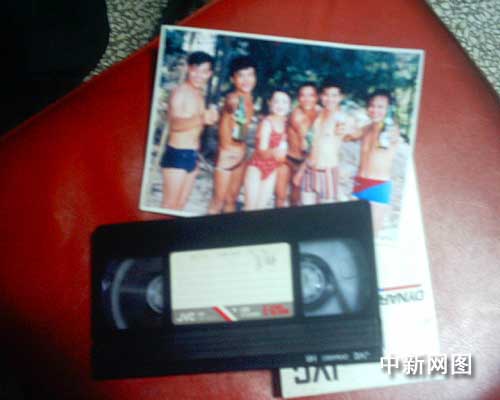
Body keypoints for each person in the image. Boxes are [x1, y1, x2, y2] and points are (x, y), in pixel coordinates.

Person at [160, 51, 219, 210]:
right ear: (188, 69)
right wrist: (202, 118)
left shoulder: (198, 94)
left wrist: (210, 120)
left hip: (192, 156)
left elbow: (195, 127)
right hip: (177, 155)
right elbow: (175, 124)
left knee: (180, 205)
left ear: (210, 74)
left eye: (204, 71)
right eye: (195, 70)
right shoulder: (180, 92)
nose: (199, 75)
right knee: (169, 206)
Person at [344, 89, 400, 232]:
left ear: (388, 109)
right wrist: (347, 126)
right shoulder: (366, 129)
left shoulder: (390, 129)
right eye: (372, 106)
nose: (375, 110)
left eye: (380, 107)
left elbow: (393, 135)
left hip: (377, 186)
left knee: (371, 233)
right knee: (353, 230)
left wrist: (391, 129)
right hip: (359, 183)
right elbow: (347, 137)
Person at [208, 56, 257, 214]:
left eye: (250, 75)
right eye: (241, 76)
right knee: (217, 203)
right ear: (233, 79)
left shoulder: (249, 98)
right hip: (227, 157)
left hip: (241, 156)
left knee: (231, 201)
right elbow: (231, 106)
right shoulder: (235, 99)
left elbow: (240, 133)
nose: (246, 80)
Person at [294, 79, 349, 205]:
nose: (330, 99)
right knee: (306, 212)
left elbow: (352, 130)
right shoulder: (317, 115)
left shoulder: (341, 118)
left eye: (334, 95)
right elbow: (312, 146)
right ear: (320, 96)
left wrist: (347, 131)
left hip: (328, 173)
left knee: (326, 214)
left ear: (340, 97)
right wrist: (301, 171)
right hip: (309, 171)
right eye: (326, 95)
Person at [244, 90, 291, 210]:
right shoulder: (267, 122)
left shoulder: (287, 123)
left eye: (284, 102)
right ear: (270, 103)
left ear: (289, 105)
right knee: (250, 207)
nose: (280, 105)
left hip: (272, 169)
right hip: (257, 167)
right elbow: (262, 151)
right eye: (276, 101)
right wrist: (276, 151)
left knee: (261, 207)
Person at [275, 82, 320, 207]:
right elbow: (306, 146)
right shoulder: (297, 116)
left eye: (311, 95)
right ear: (298, 98)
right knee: (280, 197)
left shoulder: (319, 112)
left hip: (304, 161)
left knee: (296, 200)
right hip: (288, 160)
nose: (307, 99)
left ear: (316, 97)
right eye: (303, 95)